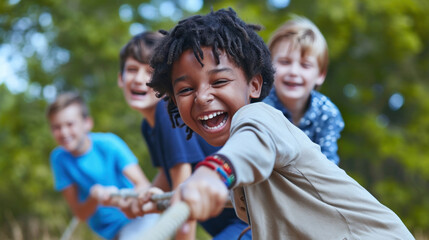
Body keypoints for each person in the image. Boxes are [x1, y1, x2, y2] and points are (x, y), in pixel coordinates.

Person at [142, 8, 415, 239]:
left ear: (255, 85)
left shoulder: (259, 116)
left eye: (220, 81)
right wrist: (170, 199)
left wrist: (211, 174)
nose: (202, 97)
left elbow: (249, 145)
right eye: (186, 89)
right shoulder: (249, 154)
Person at [117, 31, 251, 239]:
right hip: (225, 226)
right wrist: (143, 200)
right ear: (120, 78)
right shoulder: (148, 125)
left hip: (244, 221)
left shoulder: (166, 112)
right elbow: (167, 174)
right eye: (132, 70)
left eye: (149, 72)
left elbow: (182, 182)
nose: (139, 79)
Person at [47, 92, 158, 240]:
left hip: (139, 220)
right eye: (56, 127)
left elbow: (143, 184)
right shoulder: (59, 159)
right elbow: (80, 213)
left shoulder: (109, 144)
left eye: (70, 124)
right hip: (110, 234)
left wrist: (123, 200)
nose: (64, 132)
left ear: (87, 123)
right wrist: (94, 197)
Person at [263, 16, 344, 164]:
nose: (294, 72)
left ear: (320, 75)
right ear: (270, 67)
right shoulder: (260, 106)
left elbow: (329, 165)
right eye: (284, 62)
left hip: (310, 181)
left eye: (305, 65)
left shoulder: (327, 114)